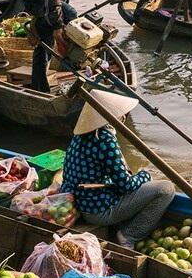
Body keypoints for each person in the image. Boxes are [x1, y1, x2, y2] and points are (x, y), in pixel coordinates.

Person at [62, 90, 176, 248]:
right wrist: (145, 175)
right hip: (97, 211)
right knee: (166, 189)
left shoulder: (79, 136)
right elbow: (125, 185)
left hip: (80, 203)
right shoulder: (104, 139)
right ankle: (129, 236)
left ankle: (123, 227)